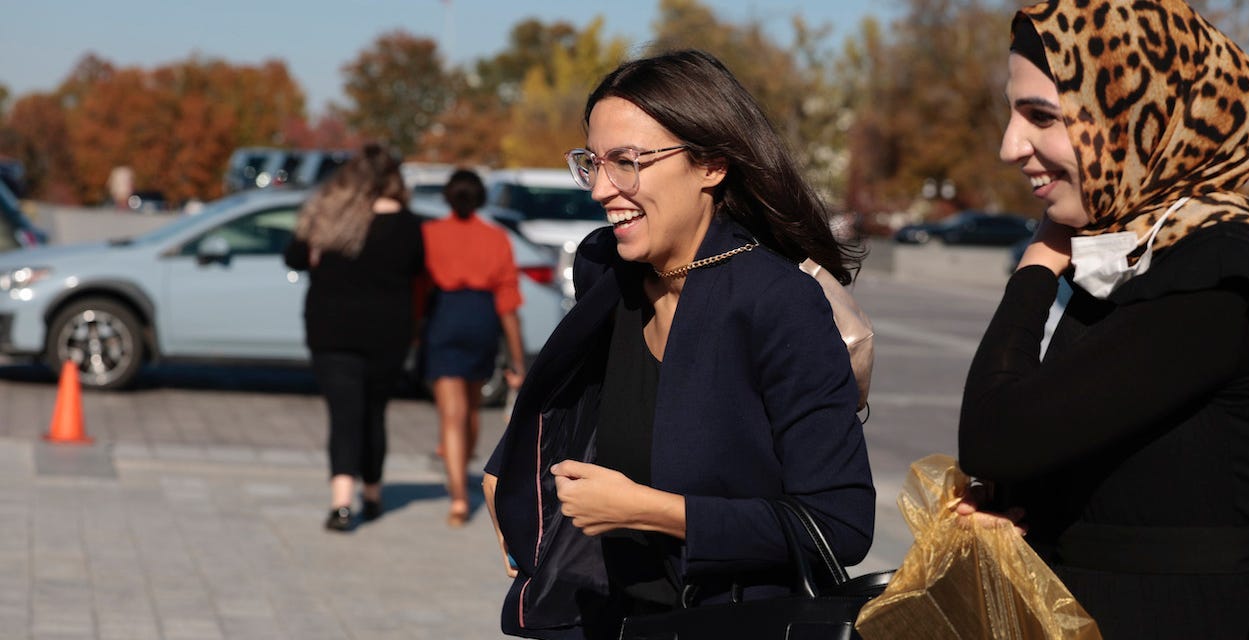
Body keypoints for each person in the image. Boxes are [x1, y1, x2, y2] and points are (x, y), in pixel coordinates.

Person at [482, 50, 875, 639]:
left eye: (627, 162)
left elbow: (840, 524)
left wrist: (651, 511)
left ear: (711, 165)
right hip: (602, 617)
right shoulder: (604, 272)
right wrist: (508, 469)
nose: (600, 188)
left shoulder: (777, 303)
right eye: (591, 162)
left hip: (735, 623)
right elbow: (568, 403)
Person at [958, 1, 1249, 637]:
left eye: (1041, 116)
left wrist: (1036, 263)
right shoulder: (1137, 258)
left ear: (1137, 120)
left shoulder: (1217, 275)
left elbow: (995, 433)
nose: (1009, 146)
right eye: (1013, 110)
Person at [283, 143, 424, 533]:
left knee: (343, 415)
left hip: (330, 330)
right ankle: (374, 494)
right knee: (374, 413)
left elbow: (293, 256)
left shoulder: (329, 214)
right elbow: (416, 269)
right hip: (387, 333)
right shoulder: (410, 224)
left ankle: (341, 503)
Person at [421, 169, 526, 528]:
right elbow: (508, 302)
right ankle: (464, 469)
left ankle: (458, 500)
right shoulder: (496, 239)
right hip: (481, 319)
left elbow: (418, 289)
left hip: (445, 316)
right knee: (471, 407)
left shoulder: (430, 235)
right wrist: (518, 358)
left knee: (451, 413)